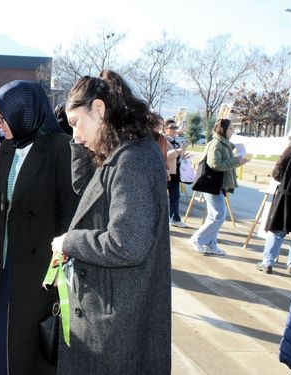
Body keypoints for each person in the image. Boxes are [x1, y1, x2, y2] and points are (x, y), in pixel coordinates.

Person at [51, 70, 171, 374]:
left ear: (100, 109)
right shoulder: (122, 152)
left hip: (118, 315)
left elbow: (127, 244)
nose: (74, 133)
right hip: (112, 307)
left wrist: (69, 242)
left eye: (77, 123)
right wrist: (81, 143)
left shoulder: (132, 161)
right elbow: (86, 189)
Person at [0, 81, 80, 375]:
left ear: (23, 115)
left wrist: (61, 267)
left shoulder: (60, 149)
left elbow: (69, 215)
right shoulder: (8, 146)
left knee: (25, 347)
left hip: (40, 270)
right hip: (4, 263)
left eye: (2, 118)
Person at [189, 119, 249, 255]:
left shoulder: (224, 144)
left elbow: (225, 163)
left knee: (214, 215)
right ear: (222, 130)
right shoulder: (216, 144)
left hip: (218, 184)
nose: (232, 131)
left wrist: (238, 161)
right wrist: (236, 160)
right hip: (212, 183)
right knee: (218, 215)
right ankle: (198, 239)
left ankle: (211, 244)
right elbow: (215, 164)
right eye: (230, 129)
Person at [257, 139, 291, 274]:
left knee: (277, 231)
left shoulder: (289, 151)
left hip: (285, 197)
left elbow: (276, 174)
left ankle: (268, 263)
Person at [165, 119, 189, 227]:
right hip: (165, 172)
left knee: (175, 196)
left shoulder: (178, 141)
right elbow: (163, 155)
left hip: (176, 173)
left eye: (175, 127)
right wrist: (176, 152)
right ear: (165, 129)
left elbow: (177, 156)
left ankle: (175, 218)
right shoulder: (162, 139)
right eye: (172, 128)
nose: (174, 130)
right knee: (161, 198)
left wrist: (183, 156)